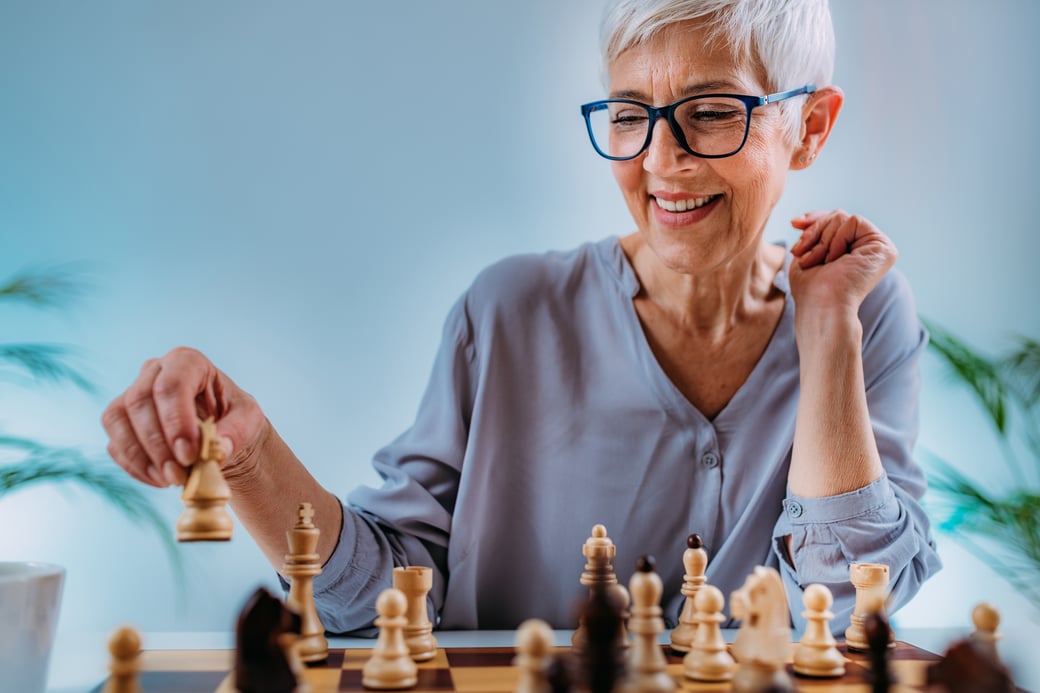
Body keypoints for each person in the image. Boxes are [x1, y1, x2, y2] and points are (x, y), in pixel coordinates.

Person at [102, 0, 941, 635]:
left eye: (713, 111)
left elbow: (848, 605)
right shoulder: (506, 314)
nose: (661, 160)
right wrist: (250, 455)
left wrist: (828, 332)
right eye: (629, 114)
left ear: (810, 126)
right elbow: (383, 599)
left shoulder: (863, 310)